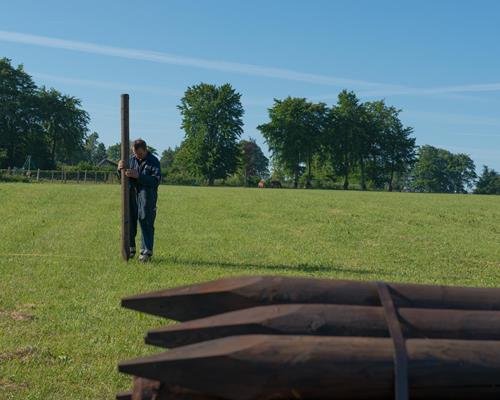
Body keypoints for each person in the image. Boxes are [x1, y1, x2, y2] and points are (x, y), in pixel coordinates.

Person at [118, 139, 162, 263]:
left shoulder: (154, 161)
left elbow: (156, 180)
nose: (137, 156)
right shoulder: (131, 160)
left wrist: (139, 176)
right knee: (130, 221)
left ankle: (146, 252)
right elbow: (123, 179)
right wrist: (119, 170)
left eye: (140, 154)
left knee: (146, 221)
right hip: (131, 196)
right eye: (135, 153)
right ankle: (130, 249)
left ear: (145, 149)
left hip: (147, 197)